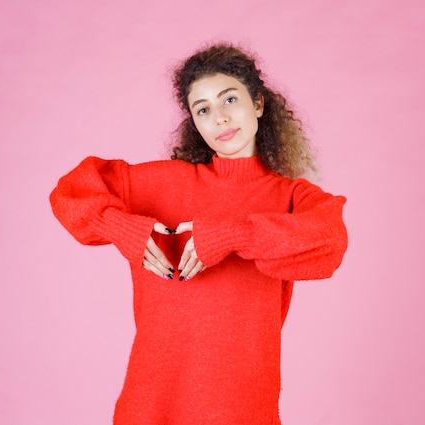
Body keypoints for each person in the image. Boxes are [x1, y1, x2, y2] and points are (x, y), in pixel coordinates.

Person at [50, 42, 348, 425]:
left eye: (229, 100)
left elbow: (330, 241)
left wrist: (230, 236)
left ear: (258, 104)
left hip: (241, 406)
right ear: (195, 123)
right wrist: (123, 229)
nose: (220, 118)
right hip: (152, 401)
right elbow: (70, 192)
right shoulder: (159, 183)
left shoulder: (290, 197)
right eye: (203, 110)